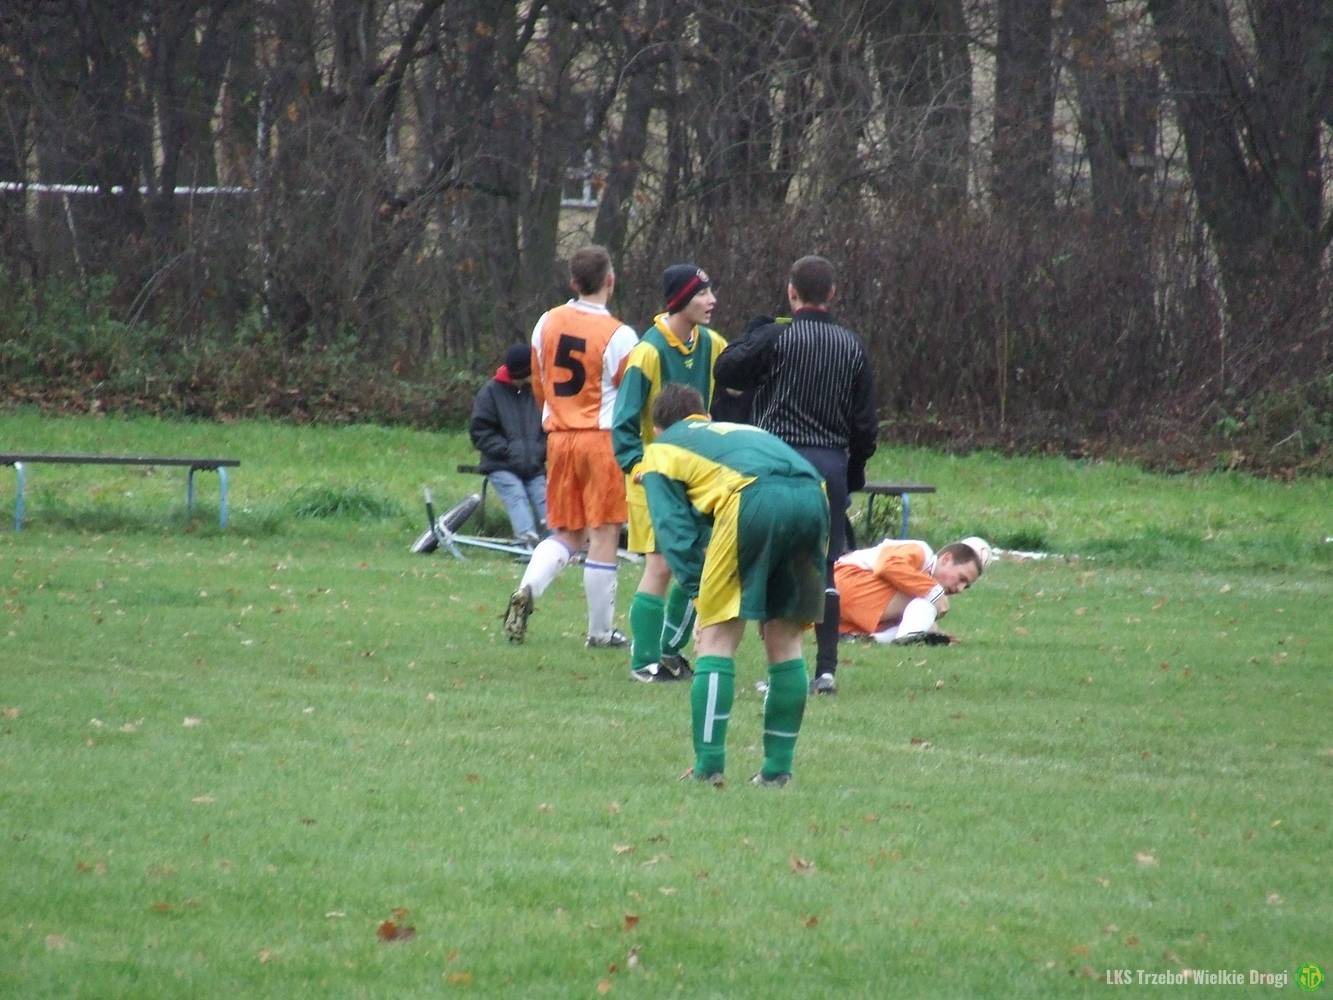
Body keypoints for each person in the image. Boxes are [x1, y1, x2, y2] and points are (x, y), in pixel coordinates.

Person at [636, 384, 829, 787]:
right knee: (786, 640)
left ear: (656, 428)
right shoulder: (736, 431)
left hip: (752, 497)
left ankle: (708, 767)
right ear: (704, 417)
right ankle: (777, 771)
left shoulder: (661, 450)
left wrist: (699, 595)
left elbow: (674, 534)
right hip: (814, 494)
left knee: (717, 639)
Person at [713, 255, 877, 695]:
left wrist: (755, 332)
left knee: (775, 564)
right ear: (833, 293)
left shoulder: (777, 338)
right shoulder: (853, 346)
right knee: (825, 566)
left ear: (791, 292)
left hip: (776, 461)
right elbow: (865, 425)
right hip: (829, 464)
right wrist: (853, 471)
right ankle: (826, 671)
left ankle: (780, 672)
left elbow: (725, 369)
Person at [502, 245, 639, 648]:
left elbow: (539, 381)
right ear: (610, 280)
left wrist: (553, 421)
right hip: (600, 440)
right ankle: (600, 632)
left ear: (573, 282)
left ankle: (527, 588)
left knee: (566, 531)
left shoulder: (546, 322)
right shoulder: (619, 335)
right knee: (604, 535)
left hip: (560, 438)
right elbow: (632, 395)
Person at [612, 264, 727, 683]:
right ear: (679, 300)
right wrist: (639, 467)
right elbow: (623, 422)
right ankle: (644, 662)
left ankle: (668, 650)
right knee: (661, 566)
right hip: (655, 479)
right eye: (702, 293)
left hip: (696, 477)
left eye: (710, 291)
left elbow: (737, 388)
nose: (712, 300)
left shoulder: (713, 344)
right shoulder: (648, 352)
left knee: (699, 562)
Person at [835, 537, 992, 644]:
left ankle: (871, 639)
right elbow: (887, 565)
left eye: (966, 586)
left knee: (920, 617)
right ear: (946, 559)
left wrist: (933, 629)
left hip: (840, 607)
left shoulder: (925, 576)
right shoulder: (922, 551)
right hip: (845, 581)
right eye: (962, 579)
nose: (960, 589)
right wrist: (934, 591)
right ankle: (909, 639)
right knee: (925, 600)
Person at [468, 343, 548, 546]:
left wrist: (540, 451)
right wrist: (508, 451)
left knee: (544, 499)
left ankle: (557, 546)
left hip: (534, 465)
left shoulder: (539, 391)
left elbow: (549, 426)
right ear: (522, 372)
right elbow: (480, 431)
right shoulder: (490, 393)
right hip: (501, 464)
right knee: (516, 495)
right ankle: (526, 543)